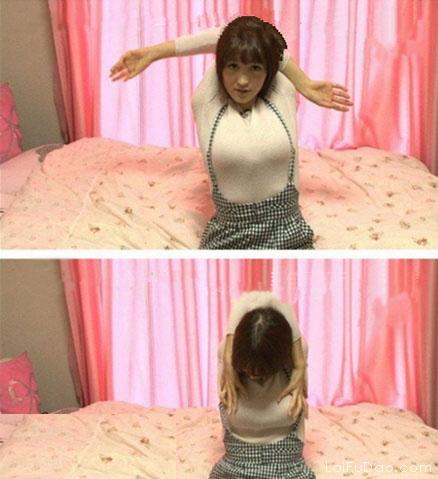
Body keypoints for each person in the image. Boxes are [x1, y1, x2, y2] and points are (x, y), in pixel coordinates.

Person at [110, 16, 353, 249]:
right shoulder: (208, 101)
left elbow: (270, 46)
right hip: (229, 237)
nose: (243, 80)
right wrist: (152, 53)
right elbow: (223, 36)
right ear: (221, 67)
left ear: (268, 70)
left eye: (255, 68)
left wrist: (304, 83)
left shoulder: (281, 93)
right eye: (233, 66)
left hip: (290, 235)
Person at [211, 291, 315, 478]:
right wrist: (228, 356)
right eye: (247, 369)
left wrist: (300, 364)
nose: (253, 375)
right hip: (236, 465)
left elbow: (274, 302)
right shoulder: (228, 359)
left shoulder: (294, 361)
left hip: (288, 466)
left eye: (263, 372)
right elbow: (248, 300)